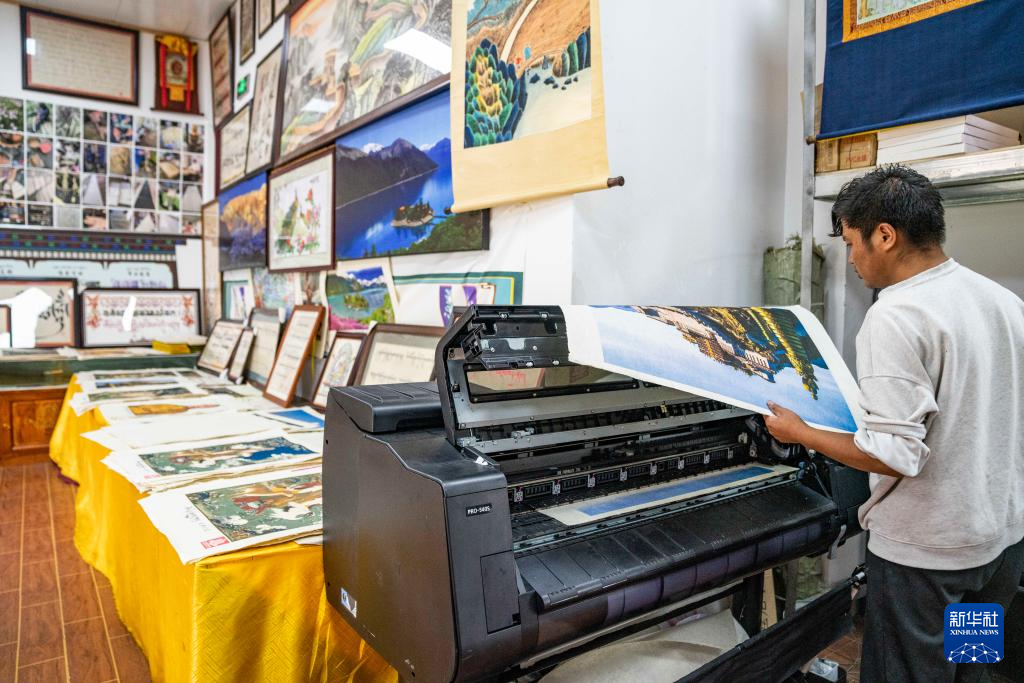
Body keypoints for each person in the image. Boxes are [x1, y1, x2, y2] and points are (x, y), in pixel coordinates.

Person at [763, 165, 1024, 682]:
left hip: (926, 561)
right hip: (997, 546)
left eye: (851, 243)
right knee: (971, 669)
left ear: (884, 235)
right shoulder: (1001, 300)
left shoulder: (897, 315)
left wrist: (800, 432)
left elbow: (893, 453)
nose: (851, 259)